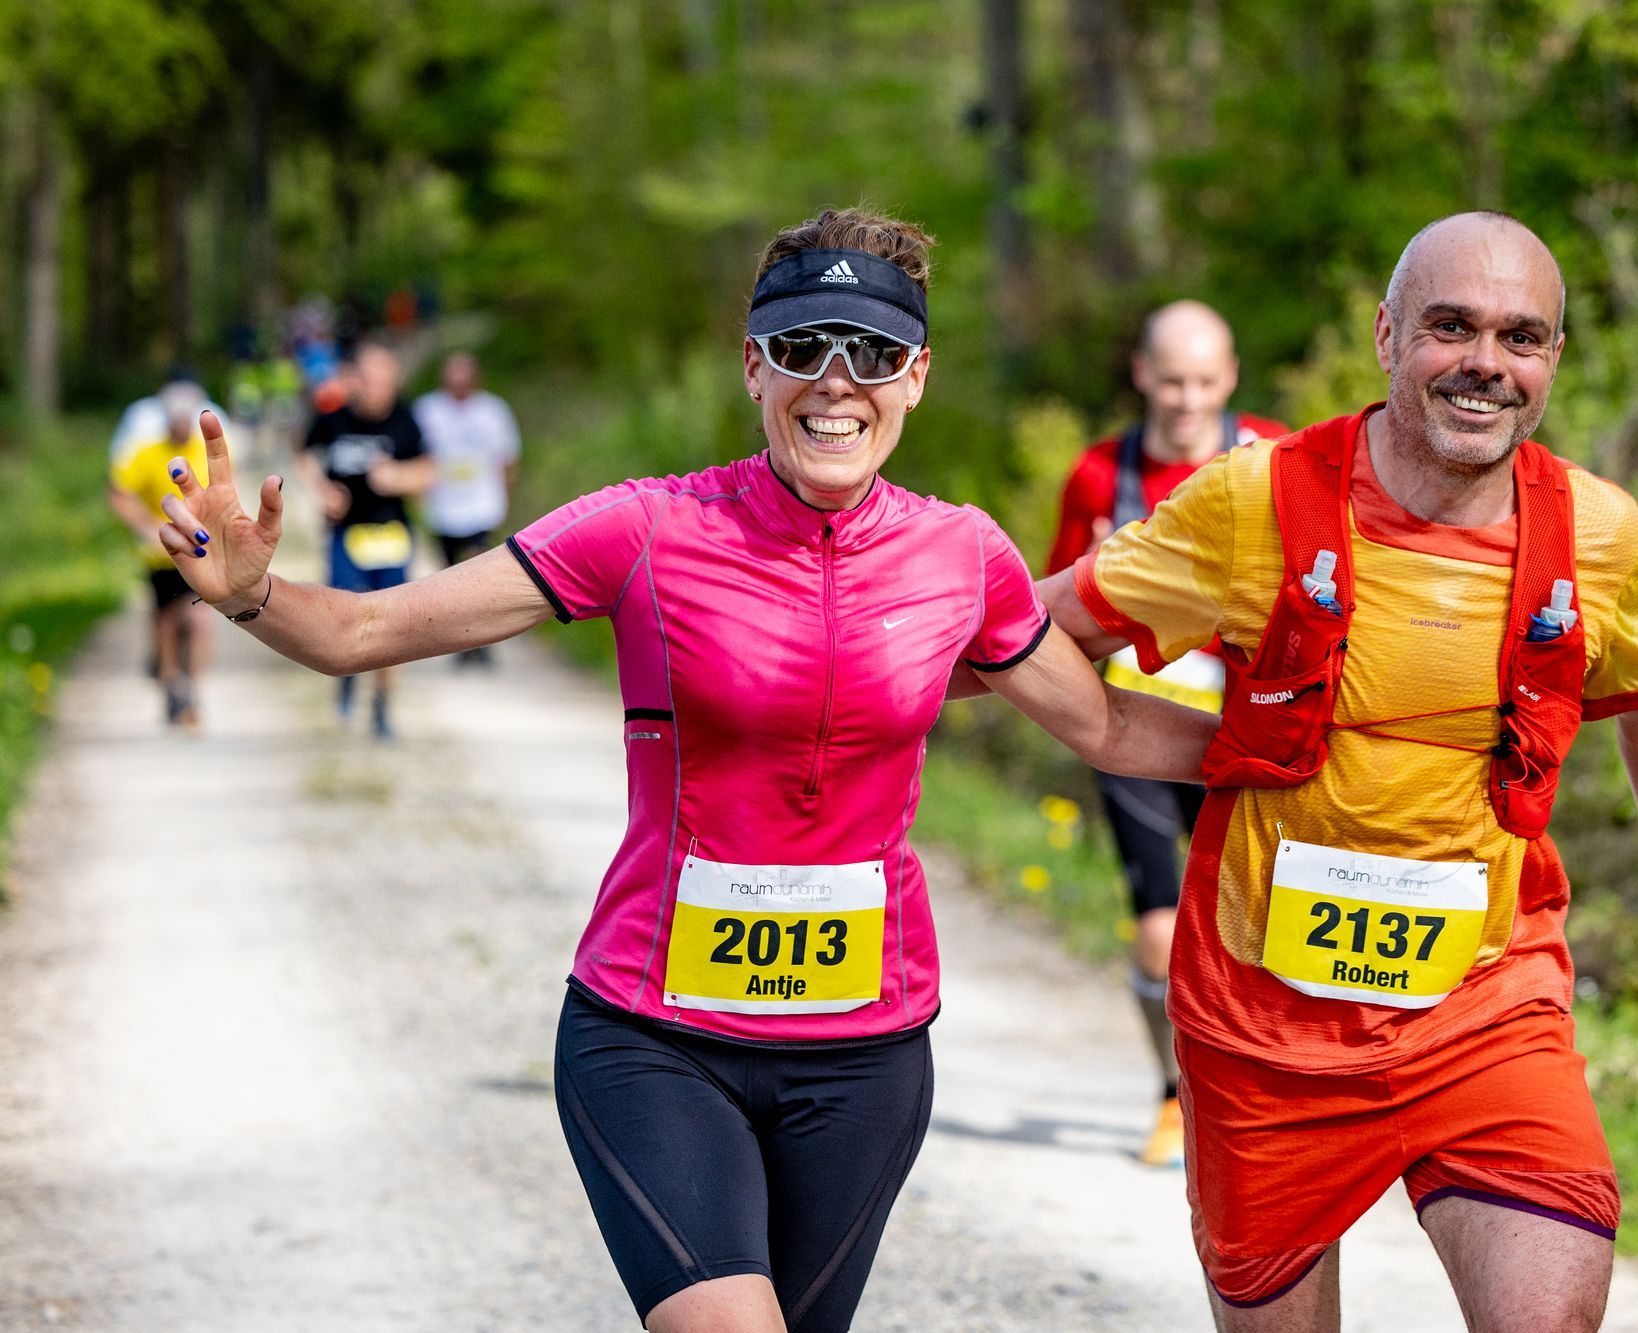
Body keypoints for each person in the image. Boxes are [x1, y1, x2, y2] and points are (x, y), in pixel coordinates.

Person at [155, 207, 1219, 1333]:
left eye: (871, 353)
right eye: (803, 348)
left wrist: (1309, 749)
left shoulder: (962, 554)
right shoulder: (645, 529)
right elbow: (366, 633)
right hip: (653, 1036)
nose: (835, 382)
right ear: (753, 363)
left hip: (863, 1056)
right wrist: (250, 595)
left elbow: (1101, 726)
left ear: (916, 377)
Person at [1039, 212, 1638, 1331]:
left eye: (1520, 336)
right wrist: (818, 665)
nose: (1484, 363)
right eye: (1449, 327)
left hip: (1485, 1009)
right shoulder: (1248, 498)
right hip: (1262, 1031)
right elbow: (1038, 632)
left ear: (1552, 359)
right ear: (1383, 336)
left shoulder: (1597, 533)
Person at [1045, 300, 1286, 1168]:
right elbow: (1057, 610)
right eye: (1171, 380)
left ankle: (1259, 1097)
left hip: (1244, 727)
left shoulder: (1271, 458)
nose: (1187, 400)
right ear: (1143, 375)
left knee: (1255, 929)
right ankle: (1174, 1095)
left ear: (1229, 380)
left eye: (1205, 381)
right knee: (1158, 928)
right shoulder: (1097, 474)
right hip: (1136, 727)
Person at [298, 342, 435, 738]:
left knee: (392, 626)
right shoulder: (333, 417)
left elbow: (430, 470)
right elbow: (305, 454)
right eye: (372, 380)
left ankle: (382, 704)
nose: (379, 388)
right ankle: (345, 674)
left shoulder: (407, 418)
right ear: (356, 380)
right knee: (344, 612)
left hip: (391, 532)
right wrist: (323, 490)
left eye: (386, 380)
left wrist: (398, 478)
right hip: (347, 533)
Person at [106, 377, 229, 728]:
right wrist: (144, 525)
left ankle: (193, 689)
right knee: (167, 621)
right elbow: (118, 492)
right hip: (161, 554)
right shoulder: (146, 453)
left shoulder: (206, 452)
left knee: (200, 619)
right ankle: (171, 682)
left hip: (201, 552)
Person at [413, 351, 521, 667]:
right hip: (443, 507)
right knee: (450, 577)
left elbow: (507, 457)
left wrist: (503, 495)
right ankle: (459, 640)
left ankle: (483, 640)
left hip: (480, 505)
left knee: (479, 572)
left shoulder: (493, 411)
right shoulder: (428, 411)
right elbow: (419, 458)